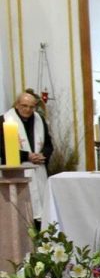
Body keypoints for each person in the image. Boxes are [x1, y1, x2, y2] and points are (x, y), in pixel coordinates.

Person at [1, 91, 53, 226]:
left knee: (41, 214)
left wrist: (43, 155)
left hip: (39, 171)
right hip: (17, 172)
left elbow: (49, 145)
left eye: (31, 107)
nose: (28, 110)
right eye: (24, 106)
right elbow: (3, 149)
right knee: (22, 213)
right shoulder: (4, 120)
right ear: (17, 105)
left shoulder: (39, 120)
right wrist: (27, 156)